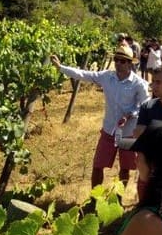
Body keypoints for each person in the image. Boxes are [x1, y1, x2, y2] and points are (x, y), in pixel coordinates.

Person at [51, 45, 148, 188]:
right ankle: (94, 199)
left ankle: (119, 200)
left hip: (128, 133)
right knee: (97, 165)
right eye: (116, 60)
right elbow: (84, 74)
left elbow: (145, 107)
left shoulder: (139, 84)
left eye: (122, 61)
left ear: (130, 63)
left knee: (125, 168)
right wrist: (61, 68)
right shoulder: (107, 77)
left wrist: (131, 114)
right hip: (109, 129)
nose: (118, 63)